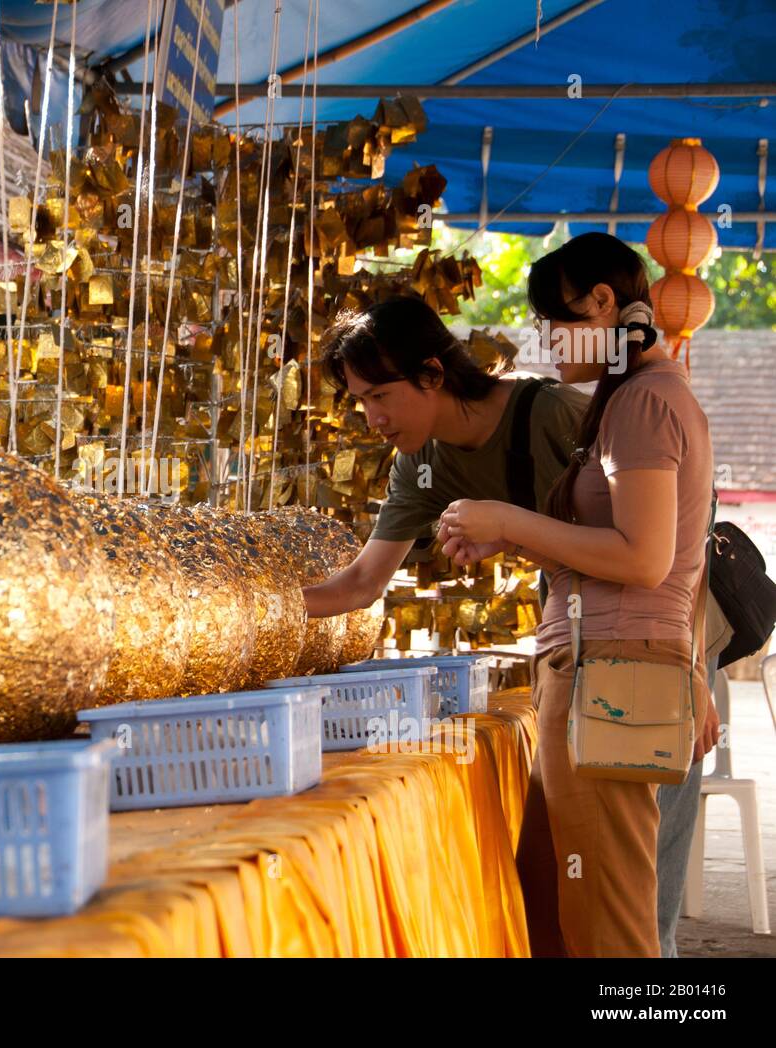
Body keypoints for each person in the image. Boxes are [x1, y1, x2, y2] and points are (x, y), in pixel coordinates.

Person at [438, 231, 720, 956]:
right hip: (594, 667)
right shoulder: (630, 395)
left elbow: (646, 557)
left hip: (614, 672)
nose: (547, 343)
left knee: (606, 923)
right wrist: (516, 538)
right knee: (559, 908)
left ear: (603, 303)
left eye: (553, 322)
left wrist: (508, 517)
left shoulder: (646, 400)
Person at [301, 293, 587, 955]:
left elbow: (653, 543)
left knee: (620, 882)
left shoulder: (555, 414)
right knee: (548, 870)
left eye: (379, 395)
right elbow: (362, 583)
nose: (370, 418)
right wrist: (253, 610)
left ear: (432, 373)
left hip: (653, 633)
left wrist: (691, 665)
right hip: (569, 632)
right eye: (359, 402)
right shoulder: (421, 462)